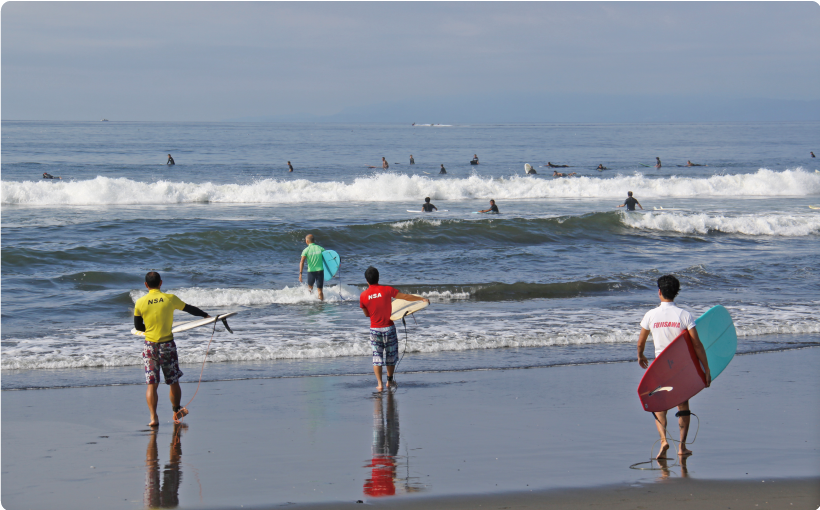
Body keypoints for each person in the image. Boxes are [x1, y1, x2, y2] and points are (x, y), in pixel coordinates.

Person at [637, 275, 711, 459]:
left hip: (660, 366)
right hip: (681, 367)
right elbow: (697, 345)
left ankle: (663, 441)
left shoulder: (651, 315)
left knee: (660, 405)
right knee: (683, 403)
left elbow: (641, 343)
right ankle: (682, 447)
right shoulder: (684, 315)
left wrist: (640, 355)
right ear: (676, 292)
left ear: (659, 292)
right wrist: (706, 369)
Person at [134, 271, 211, 427]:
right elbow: (189, 309)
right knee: (173, 381)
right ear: (161, 283)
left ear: (146, 285)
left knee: (152, 384)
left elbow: (137, 327)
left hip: (150, 346)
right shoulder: (170, 299)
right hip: (167, 345)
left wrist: (149, 328)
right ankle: (176, 411)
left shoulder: (140, 302)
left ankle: (153, 418)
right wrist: (205, 315)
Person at [360, 266, 429, 391]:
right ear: (378, 277)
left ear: (367, 281)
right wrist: (421, 299)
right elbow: (405, 297)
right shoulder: (387, 290)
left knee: (377, 357)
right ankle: (389, 381)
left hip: (375, 329)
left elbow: (366, 314)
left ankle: (380, 384)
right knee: (391, 355)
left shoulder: (363, 295)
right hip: (389, 328)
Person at [299, 234, 326, 301]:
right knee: (320, 291)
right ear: (314, 240)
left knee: (310, 289)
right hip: (320, 271)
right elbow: (328, 259)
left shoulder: (306, 250)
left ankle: (311, 303)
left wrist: (300, 274)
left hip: (311, 272)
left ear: (307, 241)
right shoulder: (321, 248)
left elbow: (302, 262)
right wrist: (332, 271)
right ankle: (321, 305)